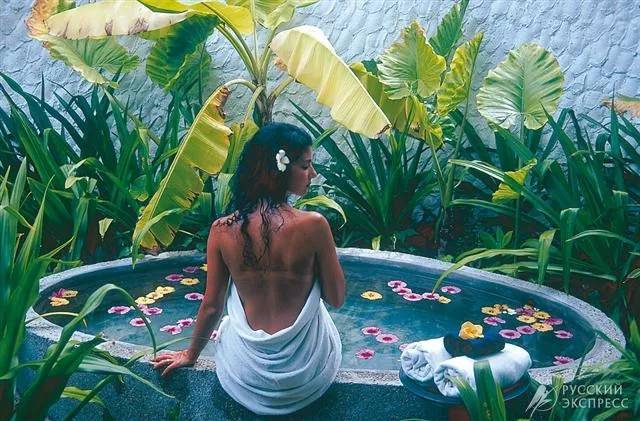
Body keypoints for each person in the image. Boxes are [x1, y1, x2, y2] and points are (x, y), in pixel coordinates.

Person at [151, 122, 345, 415]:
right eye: (306, 166)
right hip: (306, 372)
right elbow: (336, 298)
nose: (313, 174)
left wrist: (190, 354)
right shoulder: (315, 225)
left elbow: (212, 305)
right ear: (279, 170)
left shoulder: (221, 230)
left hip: (247, 373)